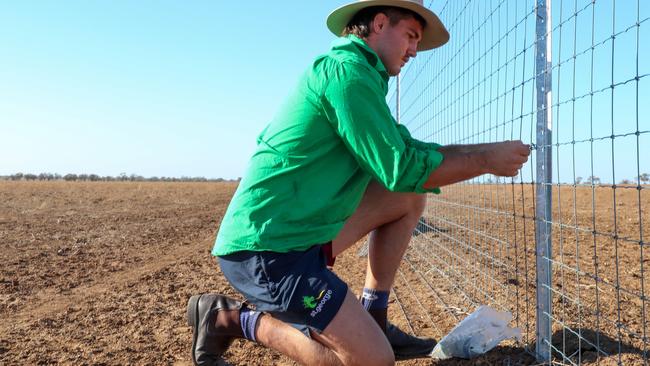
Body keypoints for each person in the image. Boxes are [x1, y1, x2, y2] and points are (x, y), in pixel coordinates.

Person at [186, 1, 531, 365]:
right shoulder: (347, 76)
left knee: (408, 196)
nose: (414, 50)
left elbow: (406, 154)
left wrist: (485, 152)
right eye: (411, 36)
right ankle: (229, 318)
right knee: (372, 360)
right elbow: (399, 166)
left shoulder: (362, 78)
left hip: (301, 233)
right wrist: (485, 160)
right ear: (380, 23)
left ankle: (374, 316)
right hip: (269, 250)